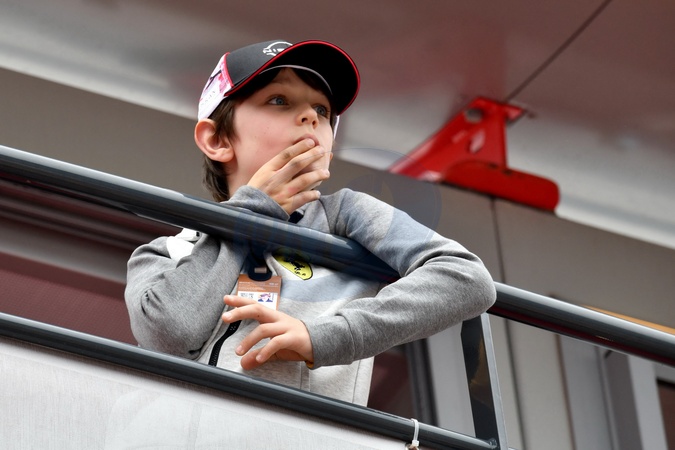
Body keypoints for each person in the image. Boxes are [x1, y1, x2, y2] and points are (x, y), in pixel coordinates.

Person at [124, 39, 496, 406]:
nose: (311, 117)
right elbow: (169, 335)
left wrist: (322, 336)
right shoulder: (166, 251)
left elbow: (466, 277)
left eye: (322, 108)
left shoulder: (346, 213)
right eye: (279, 100)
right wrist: (253, 211)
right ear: (217, 139)